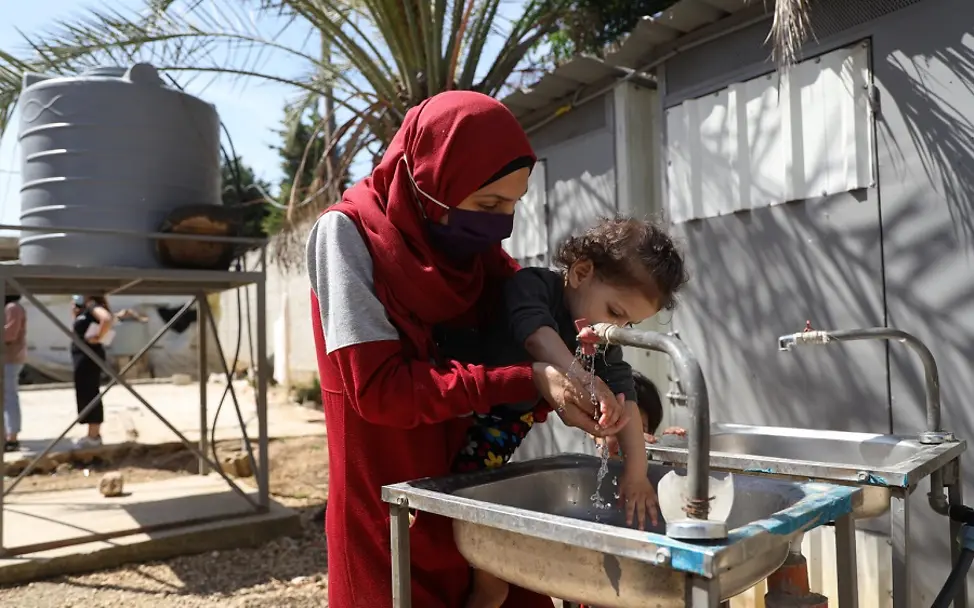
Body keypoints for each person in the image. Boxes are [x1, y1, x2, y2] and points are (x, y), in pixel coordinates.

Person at [306, 90, 630, 608]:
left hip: (474, 497)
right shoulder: (347, 237)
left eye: (512, 204)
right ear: (432, 180)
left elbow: (540, 324)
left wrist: (601, 395)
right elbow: (380, 392)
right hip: (390, 509)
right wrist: (530, 379)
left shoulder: (478, 256)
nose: (502, 223)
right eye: (488, 205)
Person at [457, 217, 688, 608]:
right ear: (581, 272)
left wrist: (636, 475)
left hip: (504, 429)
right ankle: (486, 586)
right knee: (466, 511)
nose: (617, 328)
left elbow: (627, 399)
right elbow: (536, 335)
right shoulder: (535, 287)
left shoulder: (602, 340)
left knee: (481, 499)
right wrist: (580, 376)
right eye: (615, 311)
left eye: (628, 323)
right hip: (460, 409)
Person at [70, 294, 113, 449]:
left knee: (90, 392)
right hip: (82, 356)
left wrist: (98, 336)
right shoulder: (85, 309)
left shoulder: (93, 305)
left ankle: (93, 436)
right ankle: (92, 434)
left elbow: (107, 319)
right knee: (85, 392)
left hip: (89, 355)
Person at [3, 294, 26, 452]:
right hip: (7, 357)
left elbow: (10, 334)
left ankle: (12, 437)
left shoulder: (12, 308)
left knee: (9, 396)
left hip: (10, 357)